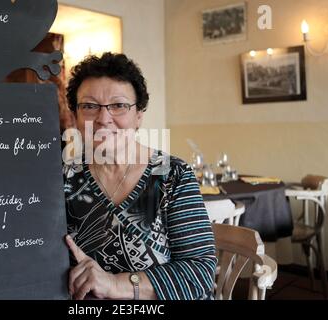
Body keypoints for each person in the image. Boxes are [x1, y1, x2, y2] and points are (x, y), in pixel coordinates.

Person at [62, 52, 217, 300]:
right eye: (89, 106)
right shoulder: (63, 179)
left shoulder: (172, 175)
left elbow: (198, 273)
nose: (103, 119)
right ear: (76, 117)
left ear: (138, 117)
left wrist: (114, 284)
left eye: (119, 105)